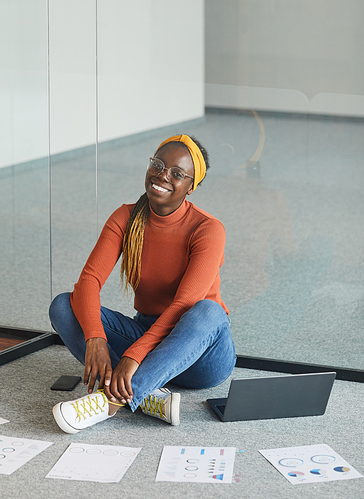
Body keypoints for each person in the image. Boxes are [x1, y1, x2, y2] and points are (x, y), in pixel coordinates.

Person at [49, 134, 236, 434]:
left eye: (177, 173)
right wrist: (95, 337)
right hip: (148, 332)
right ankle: (146, 394)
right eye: (158, 165)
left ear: (191, 186)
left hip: (201, 352)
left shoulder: (207, 229)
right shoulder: (126, 217)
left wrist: (134, 356)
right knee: (62, 306)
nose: (163, 175)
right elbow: (88, 282)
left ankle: (110, 401)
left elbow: (182, 306)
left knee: (207, 311)